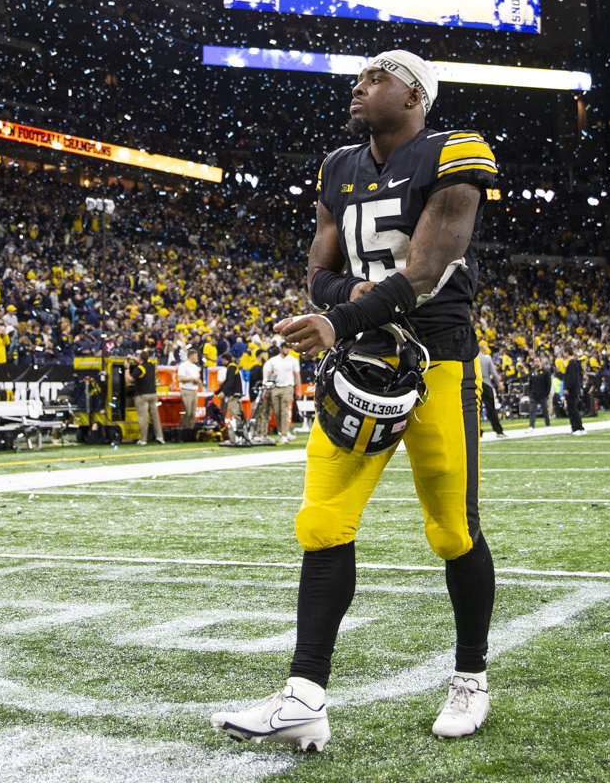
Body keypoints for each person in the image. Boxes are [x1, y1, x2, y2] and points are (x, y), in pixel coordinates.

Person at [211, 50, 497, 748]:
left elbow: (426, 272)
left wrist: (342, 314)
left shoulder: (457, 151)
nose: (359, 86)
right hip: (362, 362)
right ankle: (305, 697)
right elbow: (319, 271)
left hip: (437, 361)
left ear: (414, 95)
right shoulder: (339, 165)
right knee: (322, 523)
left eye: (376, 78)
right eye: (359, 77)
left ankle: (470, 677)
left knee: (452, 530)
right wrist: (347, 303)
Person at [262, 345, 298, 444]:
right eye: (286, 347)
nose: (288, 350)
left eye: (289, 348)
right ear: (281, 348)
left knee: (284, 411)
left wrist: (298, 390)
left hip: (288, 387)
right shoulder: (273, 361)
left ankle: (284, 435)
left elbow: (297, 376)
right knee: (277, 412)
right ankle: (283, 431)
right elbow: (269, 376)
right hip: (275, 387)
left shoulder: (293, 360)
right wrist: (266, 389)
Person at [131, 350, 165, 445]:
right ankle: (160, 437)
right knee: (155, 416)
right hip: (153, 394)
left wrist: (126, 369)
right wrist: (134, 358)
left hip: (143, 395)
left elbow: (129, 379)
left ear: (140, 358)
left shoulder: (139, 368)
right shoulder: (151, 366)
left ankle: (143, 439)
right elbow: (141, 363)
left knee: (143, 417)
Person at [477, 347, 507, 438]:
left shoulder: (472, 358)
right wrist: (499, 385)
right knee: (491, 409)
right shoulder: (487, 358)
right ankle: (498, 430)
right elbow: (494, 374)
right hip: (486, 384)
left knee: (476, 410)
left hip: (475, 385)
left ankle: (478, 431)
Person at [176, 349, 202, 434]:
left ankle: (190, 432)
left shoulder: (195, 367)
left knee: (193, 413)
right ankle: (181, 430)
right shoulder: (184, 366)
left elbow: (197, 378)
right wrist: (191, 379)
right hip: (186, 390)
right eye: (196, 356)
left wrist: (197, 381)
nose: (197, 358)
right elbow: (180, 378)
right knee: (187, 412)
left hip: (194, 390)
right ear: (190, 356)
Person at [564, 348, 586, 435]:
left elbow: (571, 377)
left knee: (573, 408)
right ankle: (574, 427)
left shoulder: (572, 362)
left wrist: (567, 387)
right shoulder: (572, 362)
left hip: (572, 389)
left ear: (566, 352)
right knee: (570, 408)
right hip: (572, 388)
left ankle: (579, 427)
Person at [526, 355, 551, 428]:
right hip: (533, 395)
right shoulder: (532, 372)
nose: (536, 363)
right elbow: (530, 384)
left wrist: (547, 393)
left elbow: (548, 383)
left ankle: (548, 425)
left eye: (537, 361)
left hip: (542, 394)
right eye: (535, 362)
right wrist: (530, 393)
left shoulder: (545, 372)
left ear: (540, 362)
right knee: (532, 411)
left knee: (545, 411)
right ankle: (531, 426)